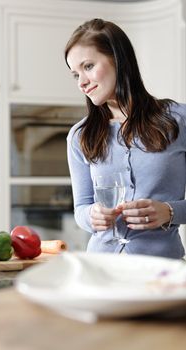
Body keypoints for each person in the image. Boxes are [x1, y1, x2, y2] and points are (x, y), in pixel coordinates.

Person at [64, 18, 186, 258]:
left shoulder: (179, 120)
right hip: (101, 267)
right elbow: (81, 208)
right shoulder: (80, 136)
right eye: (75, 74)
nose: (82, 83)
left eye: (88, 66)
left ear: (118, 60)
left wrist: (170, 211)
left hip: (162, 269)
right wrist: (92, 216)